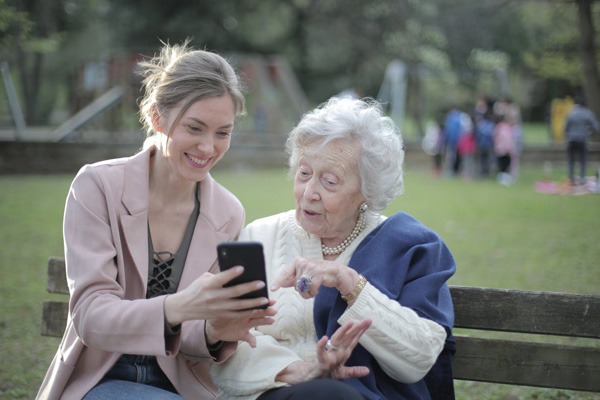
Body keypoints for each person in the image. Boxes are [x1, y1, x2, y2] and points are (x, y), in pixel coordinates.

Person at [37, 41, 276, 400]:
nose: (209, 148)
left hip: (182, 387)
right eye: (194, 128)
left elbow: (193, 340)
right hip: (99, 379)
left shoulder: (228, 211)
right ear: (156, 117)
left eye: (222, 132)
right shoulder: (97, 186)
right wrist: (180, 306)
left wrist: (216, 328)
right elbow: (90, 316)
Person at [210, 97, 456, 400]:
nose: (309, 192)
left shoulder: (409, 246)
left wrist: (350, 283)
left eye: (329, 181)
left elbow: (420, 359)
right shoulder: (259, 236)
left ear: (368, 191)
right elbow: (222, 342)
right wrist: (296, 370)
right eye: (303, 173)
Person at [564, 95, 600, 185]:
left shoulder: (570, 113)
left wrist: (568, 136)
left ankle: (571, 178)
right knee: (583, 159)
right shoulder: (587, 113)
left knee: (571, 159)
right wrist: (591, 134)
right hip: (582, 139)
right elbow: (596, 127)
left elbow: (566, 128)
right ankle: (582, 178)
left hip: (571, 139)